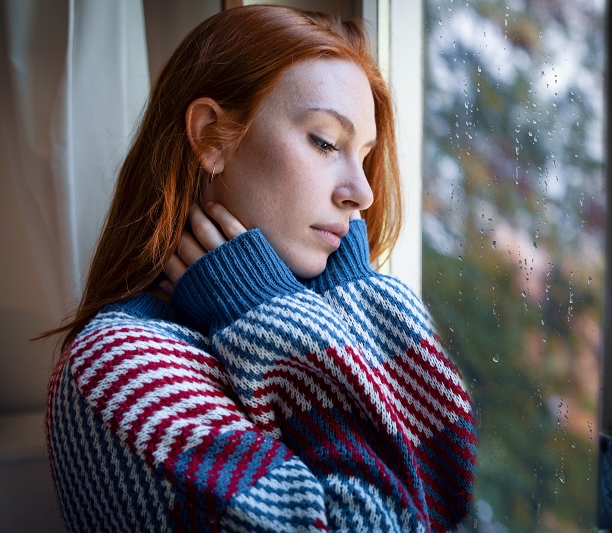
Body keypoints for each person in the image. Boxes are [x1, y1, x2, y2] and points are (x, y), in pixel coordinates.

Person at [45, 5, 476, 532]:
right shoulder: (118, 362)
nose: (361, 193)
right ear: (210, 136)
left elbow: (449, 489)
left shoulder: (316, 307)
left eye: (363, 156)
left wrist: (349, 298)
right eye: (324, 142)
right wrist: (277, 313)